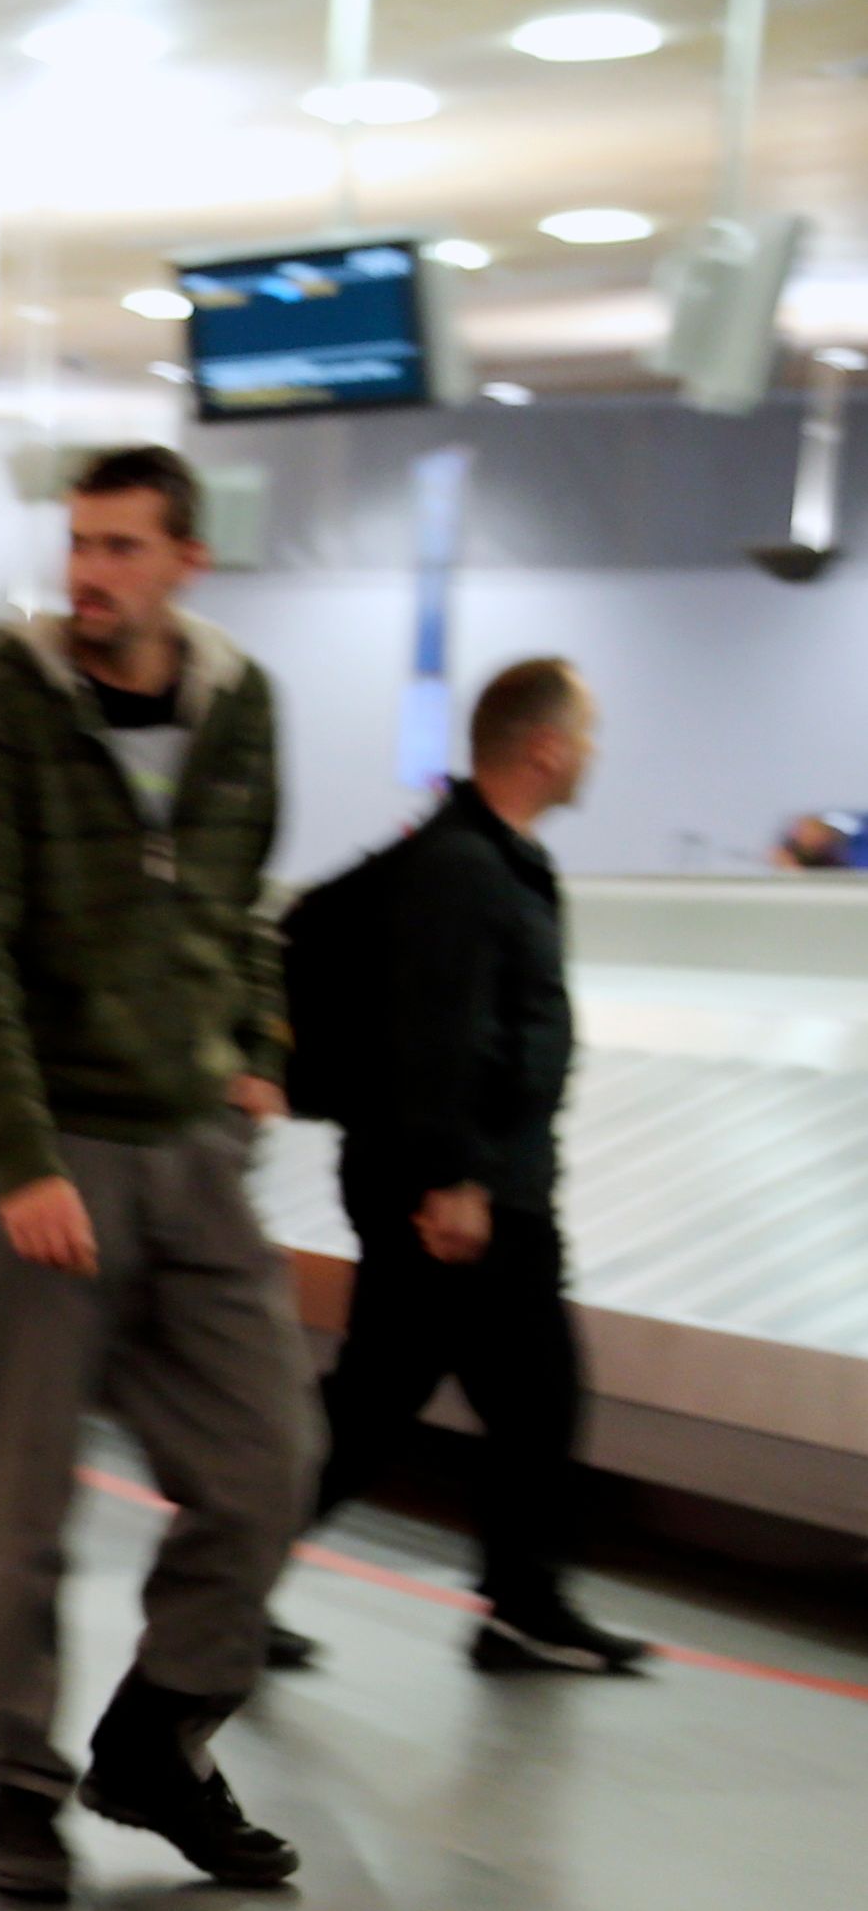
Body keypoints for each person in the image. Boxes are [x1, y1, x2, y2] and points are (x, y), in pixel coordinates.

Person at [0, 442, 312, 1904]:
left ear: (187, 562)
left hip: (194, 1152)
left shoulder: (241, 706)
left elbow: (247, 904)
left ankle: (157, 1740)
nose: (89, 574)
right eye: (80, 544)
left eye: (123, 548)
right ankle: (22, 1783)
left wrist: (257, 1042)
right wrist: (21, 1158)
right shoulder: (1, 711)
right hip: (48, 1156)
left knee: (268, 1465)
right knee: (23, 1509)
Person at [294, 660, 647, 1677]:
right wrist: (455, 1178)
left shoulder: (483, 857)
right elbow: (438, 1032)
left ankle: (225, 1574)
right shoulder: (462, 868)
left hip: (467, 1176)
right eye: (587, 734)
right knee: (532, 1395)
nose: (593, 754)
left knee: (380, 1397)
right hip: (460, 1185)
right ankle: (523, 1606)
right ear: (545, 746)